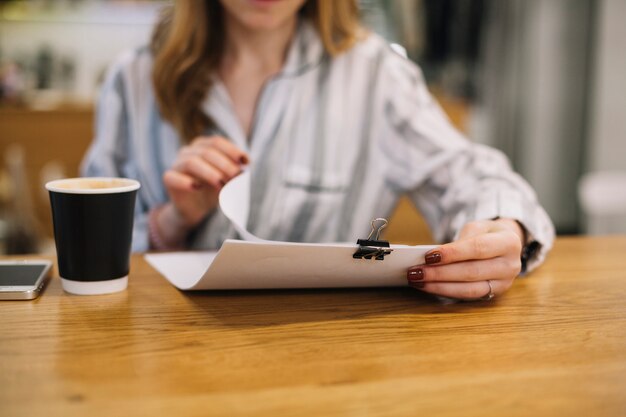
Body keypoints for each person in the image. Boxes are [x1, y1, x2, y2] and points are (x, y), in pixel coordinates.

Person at [82, 0, 555, 301]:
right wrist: (173, 220)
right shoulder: (134, 80)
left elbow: (475, 176)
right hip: (159, 354)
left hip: (328, 358)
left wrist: (502, 228)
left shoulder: (374, 75)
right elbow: (84, 249)